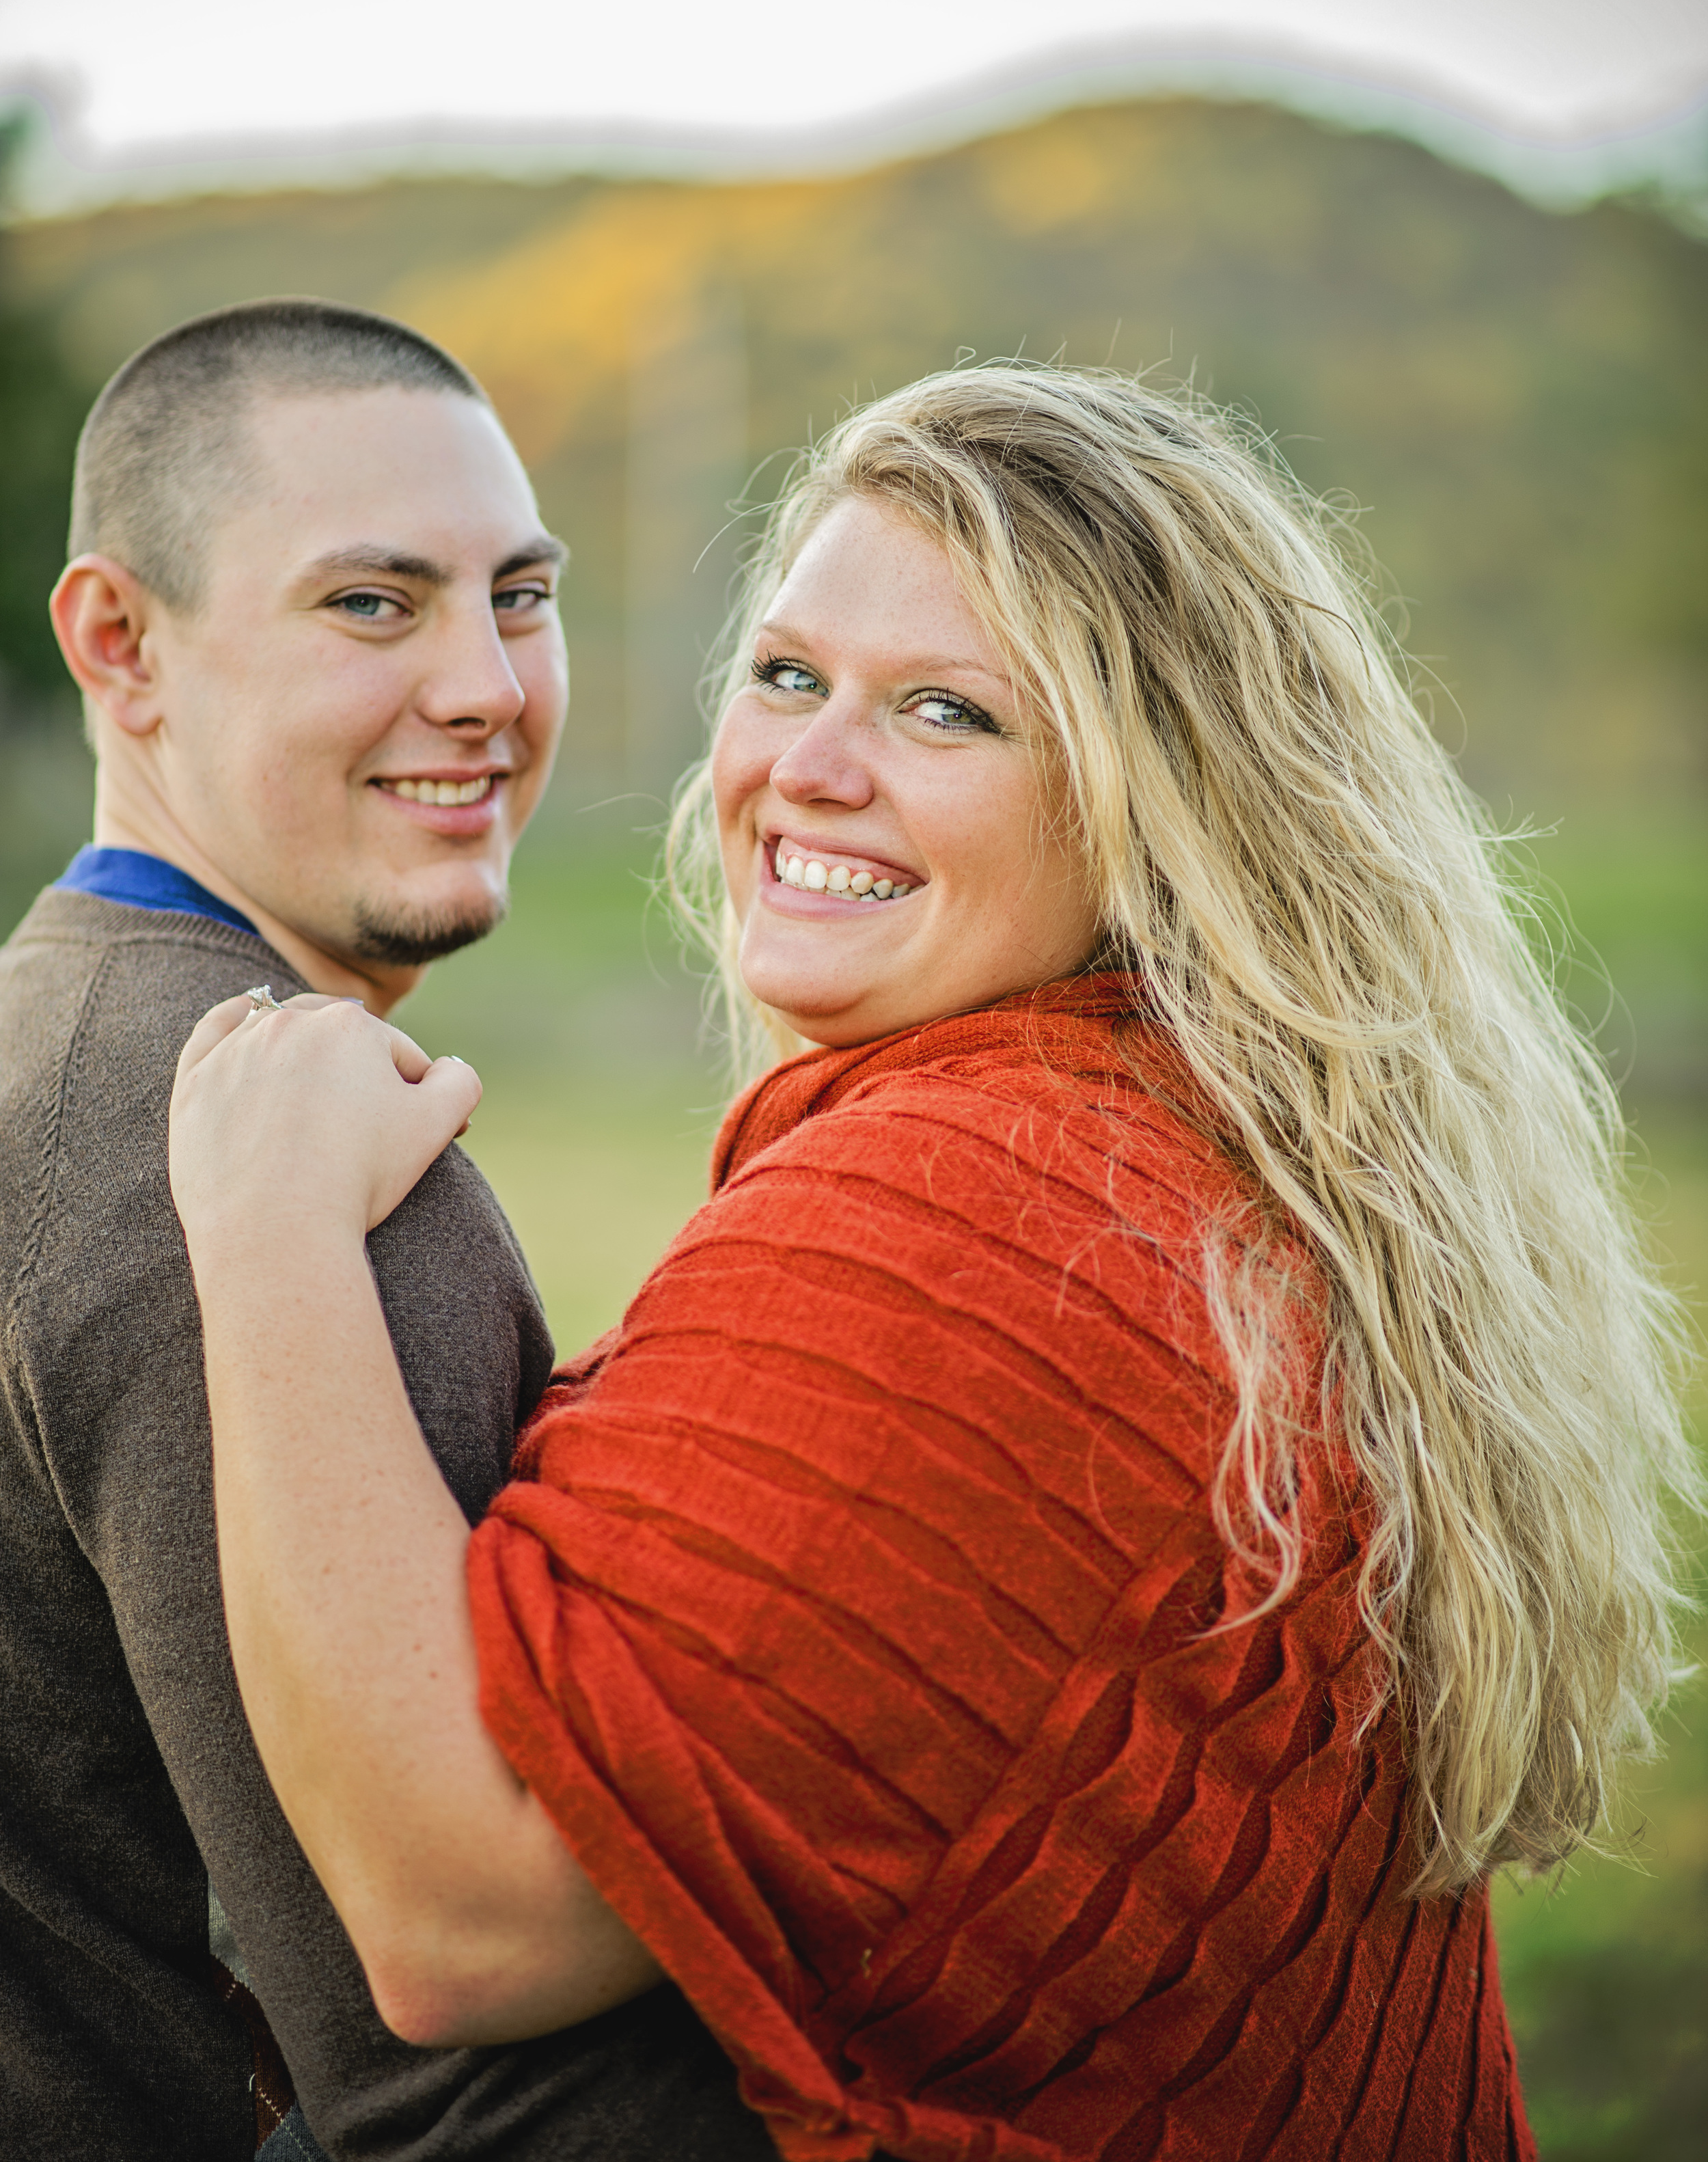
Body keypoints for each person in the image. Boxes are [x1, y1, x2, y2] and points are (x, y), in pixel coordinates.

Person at [169, 364, 1696, 2161]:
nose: (806, 766)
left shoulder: (998, 1215)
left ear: (1160, 804)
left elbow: (459, 1922)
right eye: (788, 675)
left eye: (949, 713)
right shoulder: (1183, 1154)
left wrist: (264, 1227)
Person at [0, 299, 773, 2160]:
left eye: (520, 593)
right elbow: (458, 2083)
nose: (492, 687)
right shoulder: (252, 1169)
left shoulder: (45, 1028)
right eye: (373, 603)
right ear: (124, 645)